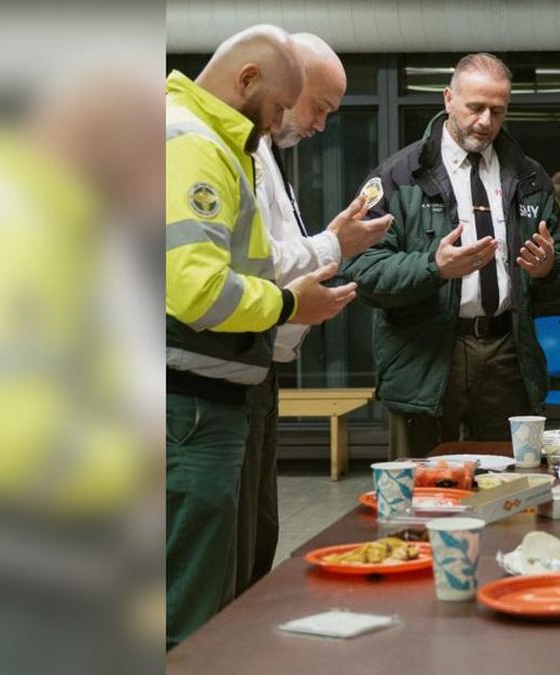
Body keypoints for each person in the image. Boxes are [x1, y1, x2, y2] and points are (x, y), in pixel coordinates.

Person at [165, 24, 357, 649]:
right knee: (193, 608)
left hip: (211, 393)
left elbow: (244, 261)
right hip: (191, 401)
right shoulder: (191, 142)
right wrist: (290, 303)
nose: (279, 124)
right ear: (247, 79)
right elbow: (198, 291)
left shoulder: (220, 143)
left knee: (216, 587)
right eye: (280, 106)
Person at [343, 53, 560, 458]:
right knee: (424, 485)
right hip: (427, 355)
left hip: (507, 354)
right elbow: (361, 269)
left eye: (497, 111)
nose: (485, 121)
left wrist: (549, 268)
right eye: (475, 107)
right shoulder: (398, 176)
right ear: (448, 99)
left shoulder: (528, 176)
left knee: (512, 482)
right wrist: (433, 268)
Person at [236, 33, 394, 598]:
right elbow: (251, 266)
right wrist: (333, 245)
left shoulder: (267, 152)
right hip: (225, 371)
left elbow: (275, 256)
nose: (321, 126)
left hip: (259, 367)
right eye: (318, 108)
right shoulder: (231, 149)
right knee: (227, 552)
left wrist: (327, 254)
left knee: (255, 541)